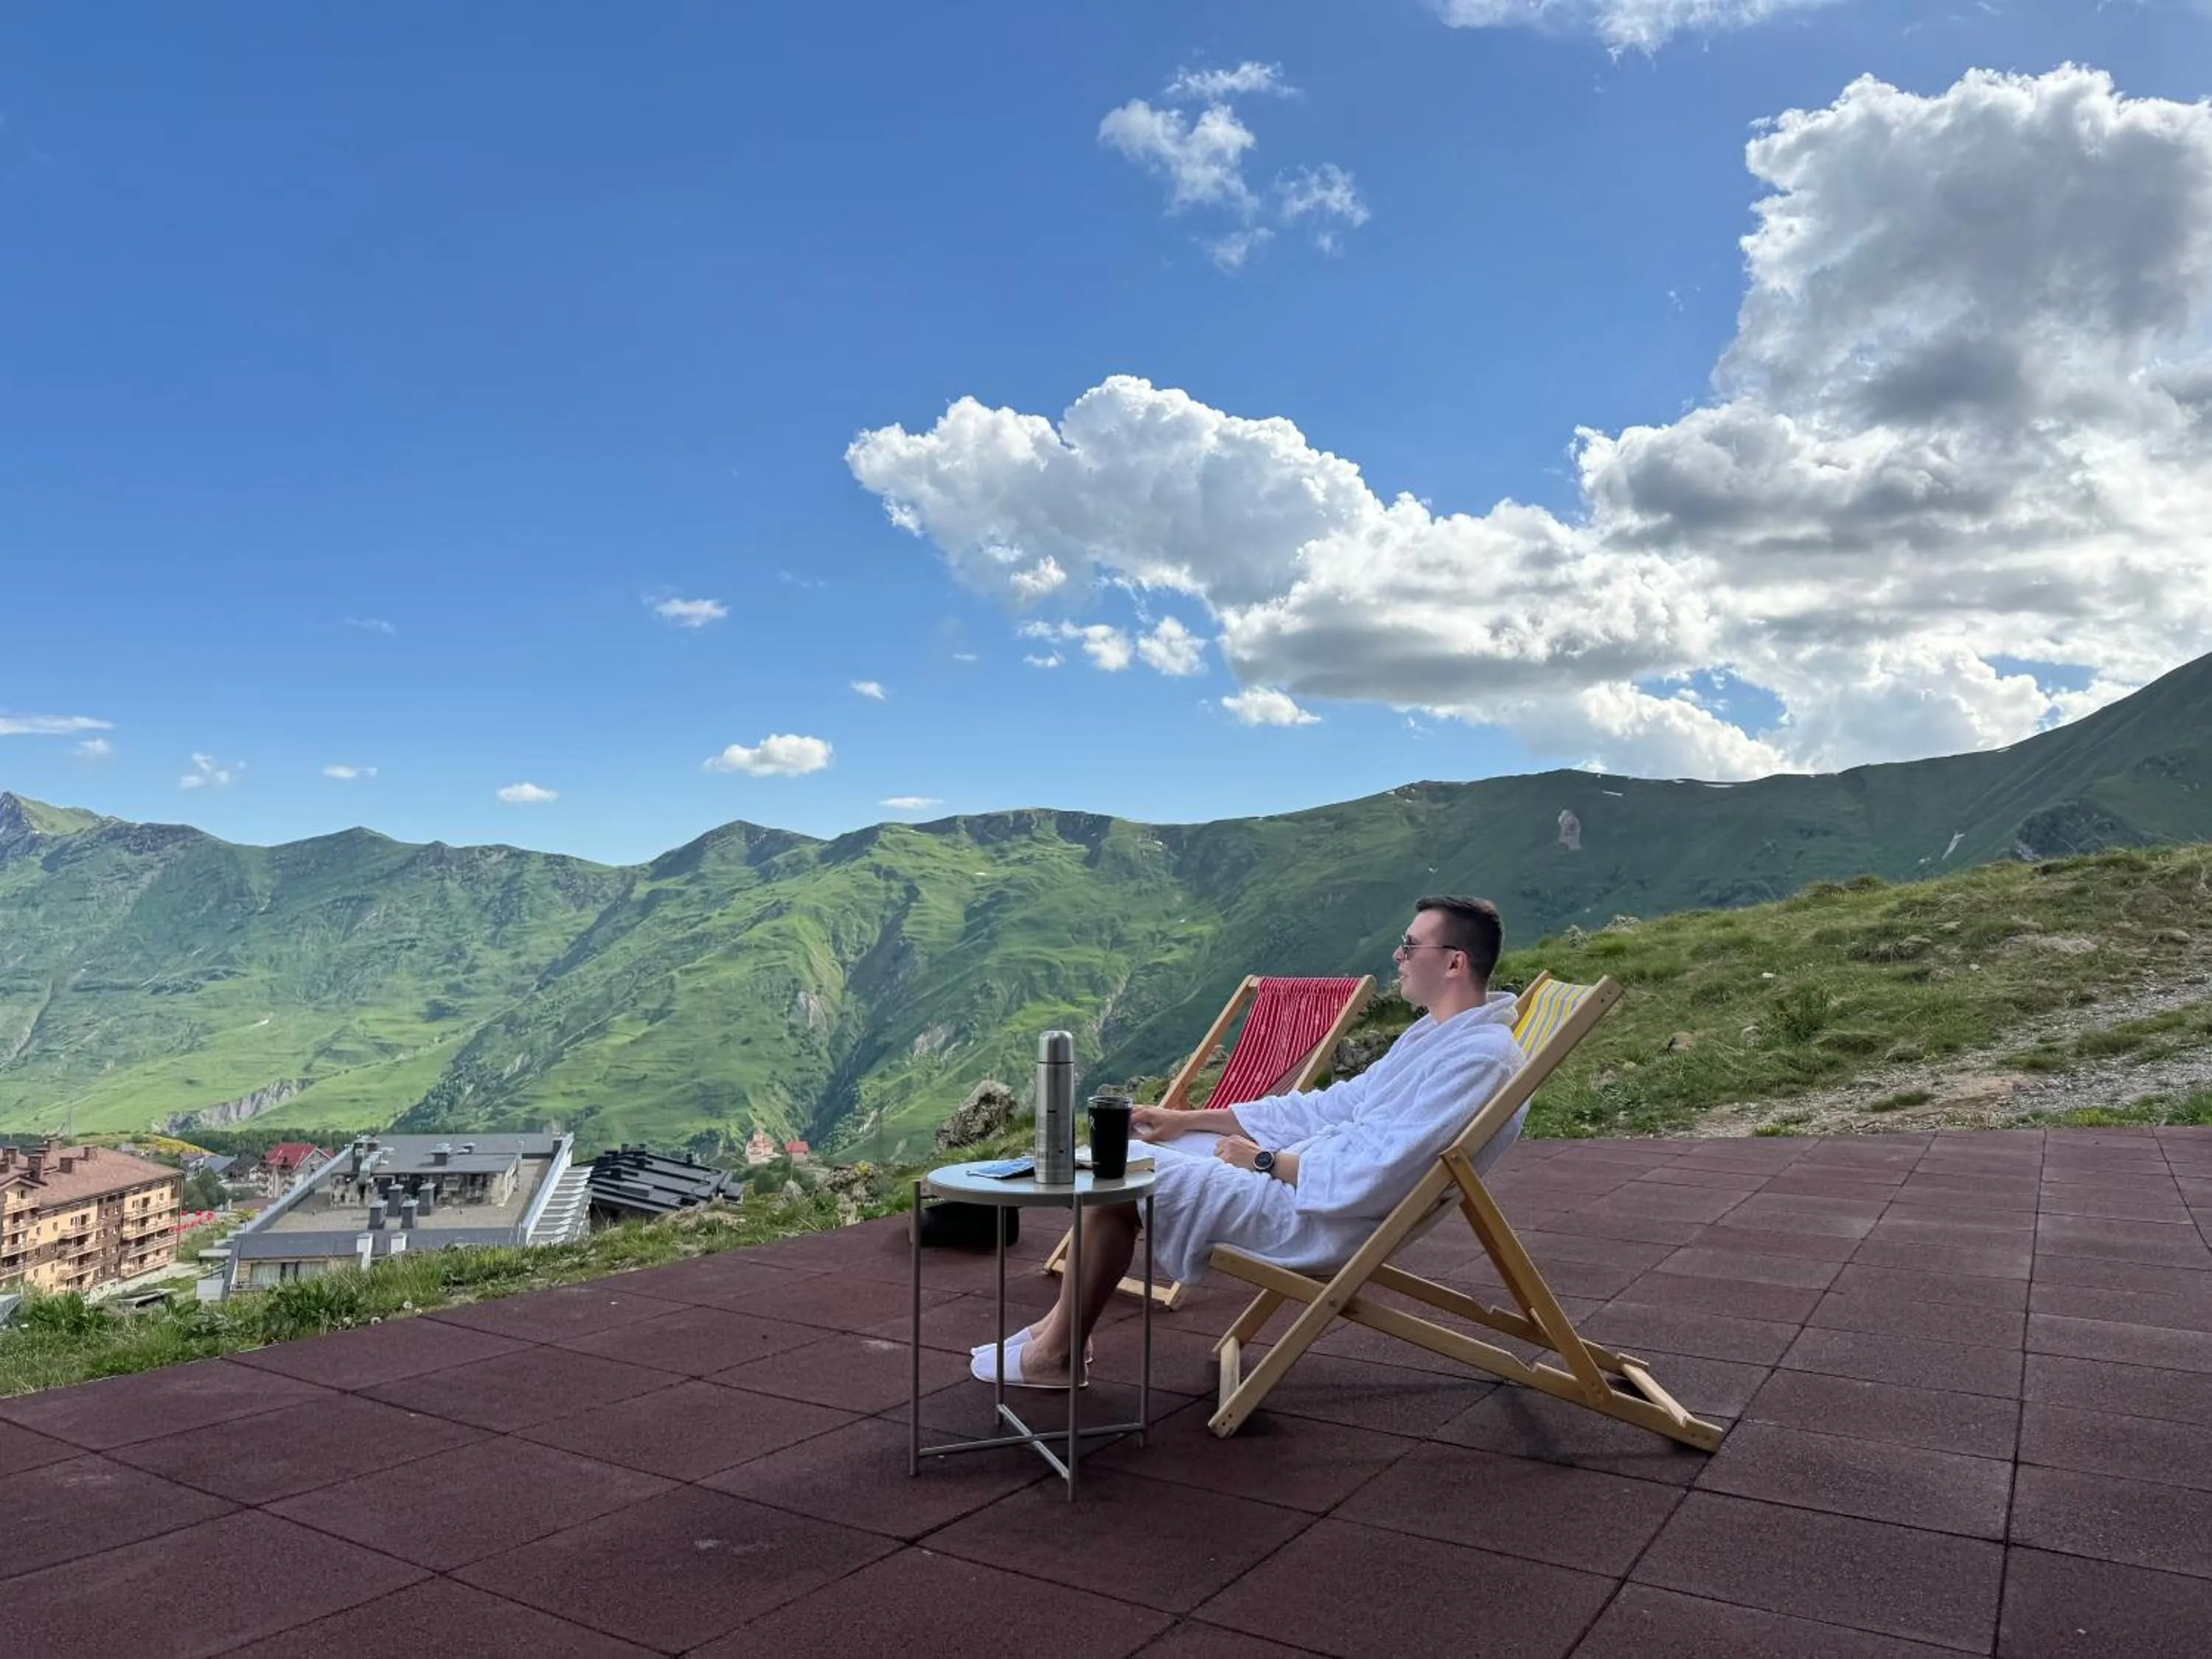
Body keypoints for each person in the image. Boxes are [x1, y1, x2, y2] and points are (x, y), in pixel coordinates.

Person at [972, 894, 1527, 1388]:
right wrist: (1189, 1120)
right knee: (1123, 1162)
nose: (1397, 957)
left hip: (1320, 1212)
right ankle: (1059, 1335)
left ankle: (1057, 1351)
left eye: (1410, 945)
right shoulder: (1437, 1038)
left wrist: (1264, 1160)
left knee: (1118, 1170)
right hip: (1307, 1180)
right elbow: (1328, 1106)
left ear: (1455, 961)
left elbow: (1383, 1175)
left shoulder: (1479, 1059)